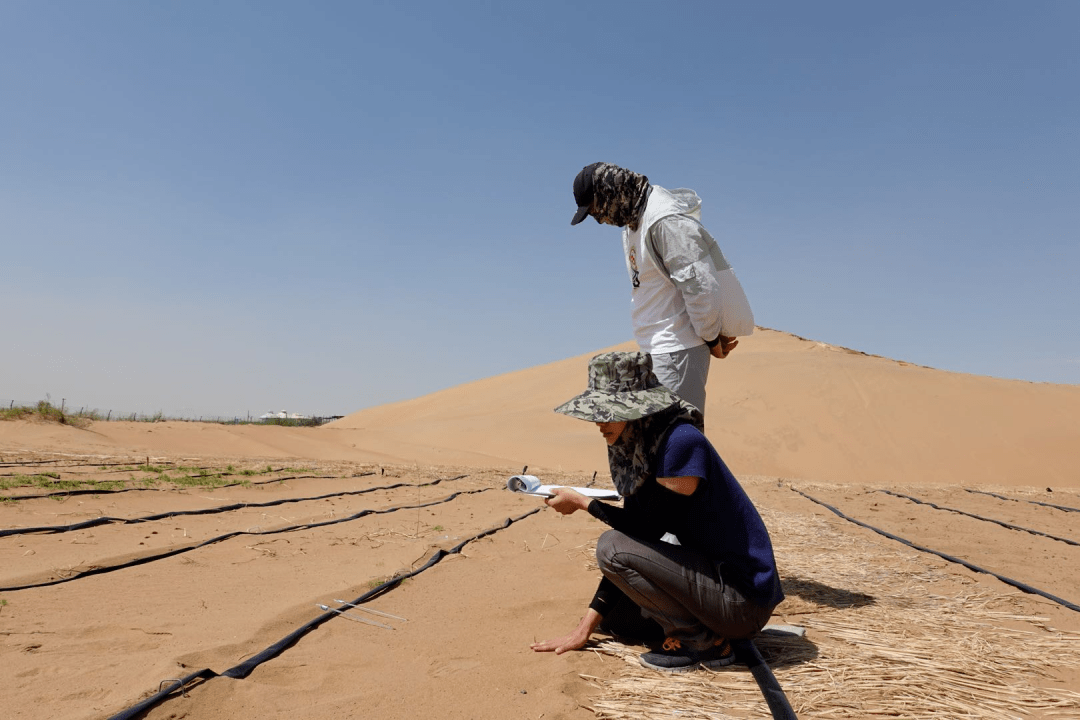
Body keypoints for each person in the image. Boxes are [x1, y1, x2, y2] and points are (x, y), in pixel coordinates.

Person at [530, 351, 783, 673]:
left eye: (608, 411)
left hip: (741, 602)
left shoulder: (681, 443)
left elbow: (645, 531)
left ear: (637, 411)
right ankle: (701, 632)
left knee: (610, 545)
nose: (598, 422)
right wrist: (585, 629)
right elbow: (637, 539)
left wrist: (583, 503)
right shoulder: (642, 450)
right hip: (713, 586)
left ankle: (702, 644)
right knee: (621, 622)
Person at [570, 162, 754, 417]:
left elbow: (700, 285)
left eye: (595, 210)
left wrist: (711, 335)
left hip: (677, 350)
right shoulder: (633, 218)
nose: (600, 220)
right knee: (656, 447)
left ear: (609, 194)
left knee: (675, 445)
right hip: (655, 351)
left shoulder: (664, 221)